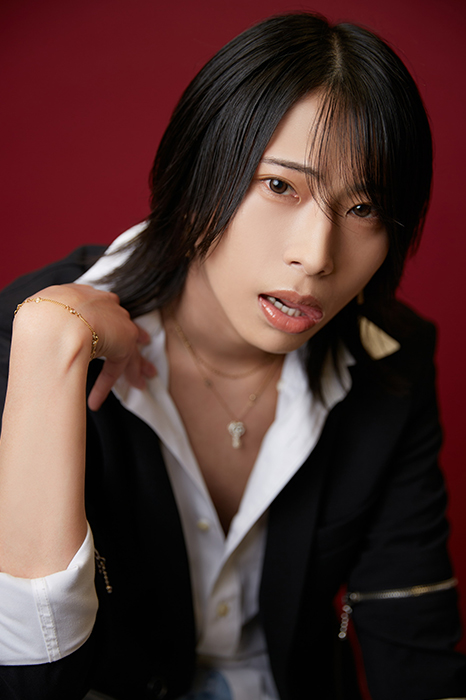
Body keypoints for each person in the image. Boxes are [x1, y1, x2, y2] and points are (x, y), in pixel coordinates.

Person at [0, 11, 465, 700]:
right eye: (280, 186)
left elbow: (414, 642)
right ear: (196, 177)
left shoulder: (390, 361)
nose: (317, 256)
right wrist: (46, 355)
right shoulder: (29, 340)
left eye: (364, 208)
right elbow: (33, 683)